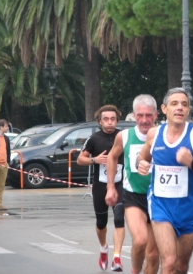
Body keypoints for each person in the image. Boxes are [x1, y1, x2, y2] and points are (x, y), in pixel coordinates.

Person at [137, 88, 193, 274]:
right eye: (174, 104)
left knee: (181, 267)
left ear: (188, 110)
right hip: (161, 206)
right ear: (164, 109)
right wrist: (141, 164)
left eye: (184, 104)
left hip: (188, 209)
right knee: (168, 262)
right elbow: (141, 158)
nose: (179, 108)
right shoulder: (154, 134)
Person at [105, 95, 159, 274]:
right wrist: (111, 186)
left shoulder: (164, 136)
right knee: (141, 240)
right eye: (140, 115)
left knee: (153, 255)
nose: (144, 120)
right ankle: (135, 270)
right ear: (134, 115)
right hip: (134, 196)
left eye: (149, 115)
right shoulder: (125, 136)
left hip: (159, 199)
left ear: (156, 115)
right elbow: (112, 156)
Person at [77, 105, 125, 272]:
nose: (110, 122)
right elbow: (79, 160)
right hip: (100, 185)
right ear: (100, 121)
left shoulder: (123, 136)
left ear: (117, 120)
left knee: (119, 219)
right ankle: (104, 248)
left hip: (120, 183)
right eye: (106, 119)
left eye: (113, 119)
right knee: (101, 222)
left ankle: (117, 257)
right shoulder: (94, 139)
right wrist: (94, 160)